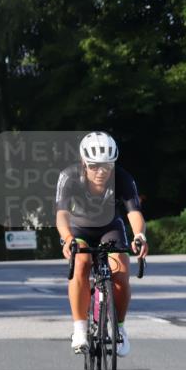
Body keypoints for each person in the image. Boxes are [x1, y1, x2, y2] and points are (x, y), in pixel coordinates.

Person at [56, 131, 149, 356]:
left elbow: (134, 213)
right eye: (94, 166)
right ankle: (80, 329)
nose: (101, 172)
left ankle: (119, 328)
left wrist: (140, 235)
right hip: (78, 228)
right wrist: (68, 239)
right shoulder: (69, 176)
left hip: (110, 227)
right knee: (81, 263)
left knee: (122, 272)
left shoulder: (123, 178)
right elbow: (61, 215)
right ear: (84, 162)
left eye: (107, 166)